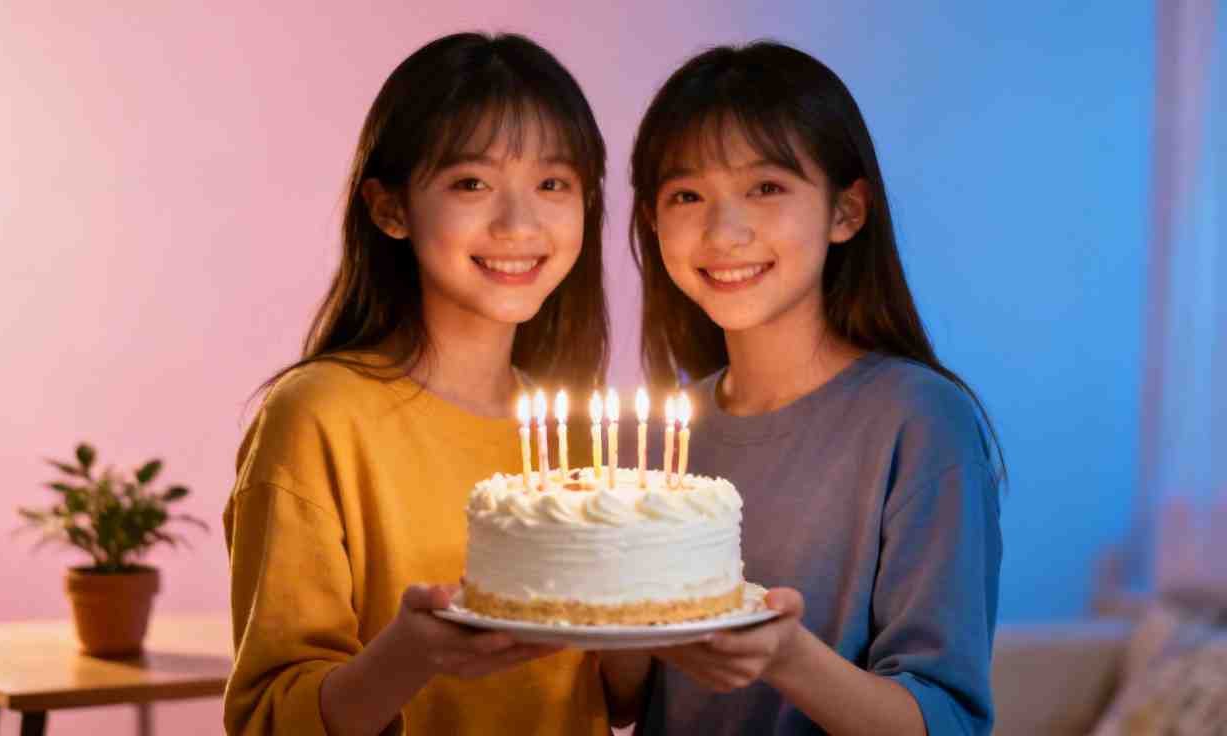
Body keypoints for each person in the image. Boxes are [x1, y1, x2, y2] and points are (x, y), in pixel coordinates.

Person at [600, 41, 1004, 735]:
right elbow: (626, 703)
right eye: (687, 196)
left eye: (766, 187)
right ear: (653, 222)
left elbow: (945, 721)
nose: (723, 231)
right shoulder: (659, 435)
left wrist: (786, 655)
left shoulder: (919, 419)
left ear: (846, 211)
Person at [222, 32, 611, 736]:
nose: (519, 223)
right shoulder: (318, 416)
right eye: (472, 184)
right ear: (390, 209)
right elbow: (267, 718)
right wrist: (409, 655)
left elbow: (616, 695)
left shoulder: (579, 434)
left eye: (553, 183)